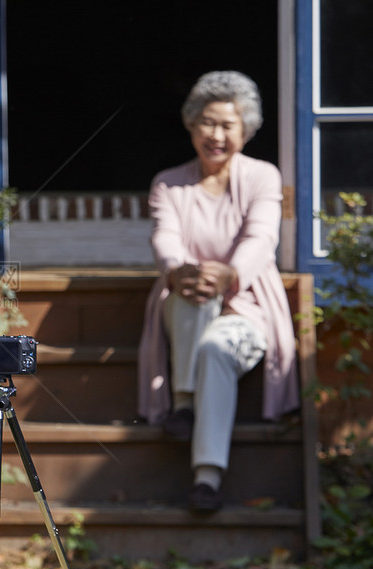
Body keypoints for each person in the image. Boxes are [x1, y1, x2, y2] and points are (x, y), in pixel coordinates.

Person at [137, 71, 299, 514]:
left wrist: (228, 274)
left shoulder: (264, 177)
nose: (217, 134)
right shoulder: (169, 183)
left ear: (245, 129)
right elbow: (164, 240)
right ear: (191, 126)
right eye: (207, 123)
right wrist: (180, 271)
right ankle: (185, 403)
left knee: (214, 345)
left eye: (228, 125)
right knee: (192, 287)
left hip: (248, 307)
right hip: (184, 302)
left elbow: (261, 238)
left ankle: (206, 475)